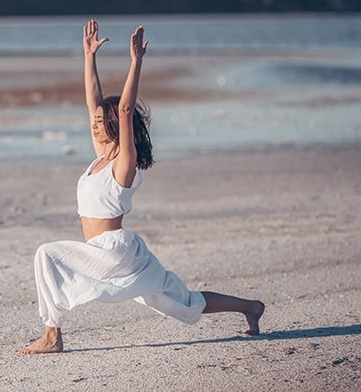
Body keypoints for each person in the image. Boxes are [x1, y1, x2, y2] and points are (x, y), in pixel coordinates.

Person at [17, 19, 264, 355]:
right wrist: (89, 57)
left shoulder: (124, 162)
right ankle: (250, 307)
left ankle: (51, 336)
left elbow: (125, 108)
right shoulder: (101, 158)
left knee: (47, 254)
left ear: (116, 127)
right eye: (94, 120)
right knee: (185, 301)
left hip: (112, 252)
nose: (94, 123)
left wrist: (136, 63)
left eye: (101, 121)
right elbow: (94, 100)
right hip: (112, 253)